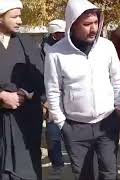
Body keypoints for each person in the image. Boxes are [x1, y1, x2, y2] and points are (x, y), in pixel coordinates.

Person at [44, 0, 120, 179]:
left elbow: (117, 79)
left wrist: (119, 108)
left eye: (96, 22)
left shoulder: (107, 47)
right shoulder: (56, 53)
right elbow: (53, 90)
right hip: (75, 128)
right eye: (87, 24)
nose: (94, 29)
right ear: (72, 25)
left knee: (109, 173)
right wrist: (61, 123)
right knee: (83, 175)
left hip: (107, 123)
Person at [0, 0, 45, 179]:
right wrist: (2, 96)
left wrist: (23, 94)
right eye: (14, 16)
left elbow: (39, 74)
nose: (20, 20)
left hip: (25, 121)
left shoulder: (26, 42)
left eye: (20, 16)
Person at [41, 19, 66, 179]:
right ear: (53, 34)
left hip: (71, 95)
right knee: (52, 133)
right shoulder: (42, 50)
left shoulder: (71, 47)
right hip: (50, 97)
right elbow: (40, 76)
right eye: (59, 35)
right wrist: (45, 99)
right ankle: (57, 163)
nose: (63, 37)